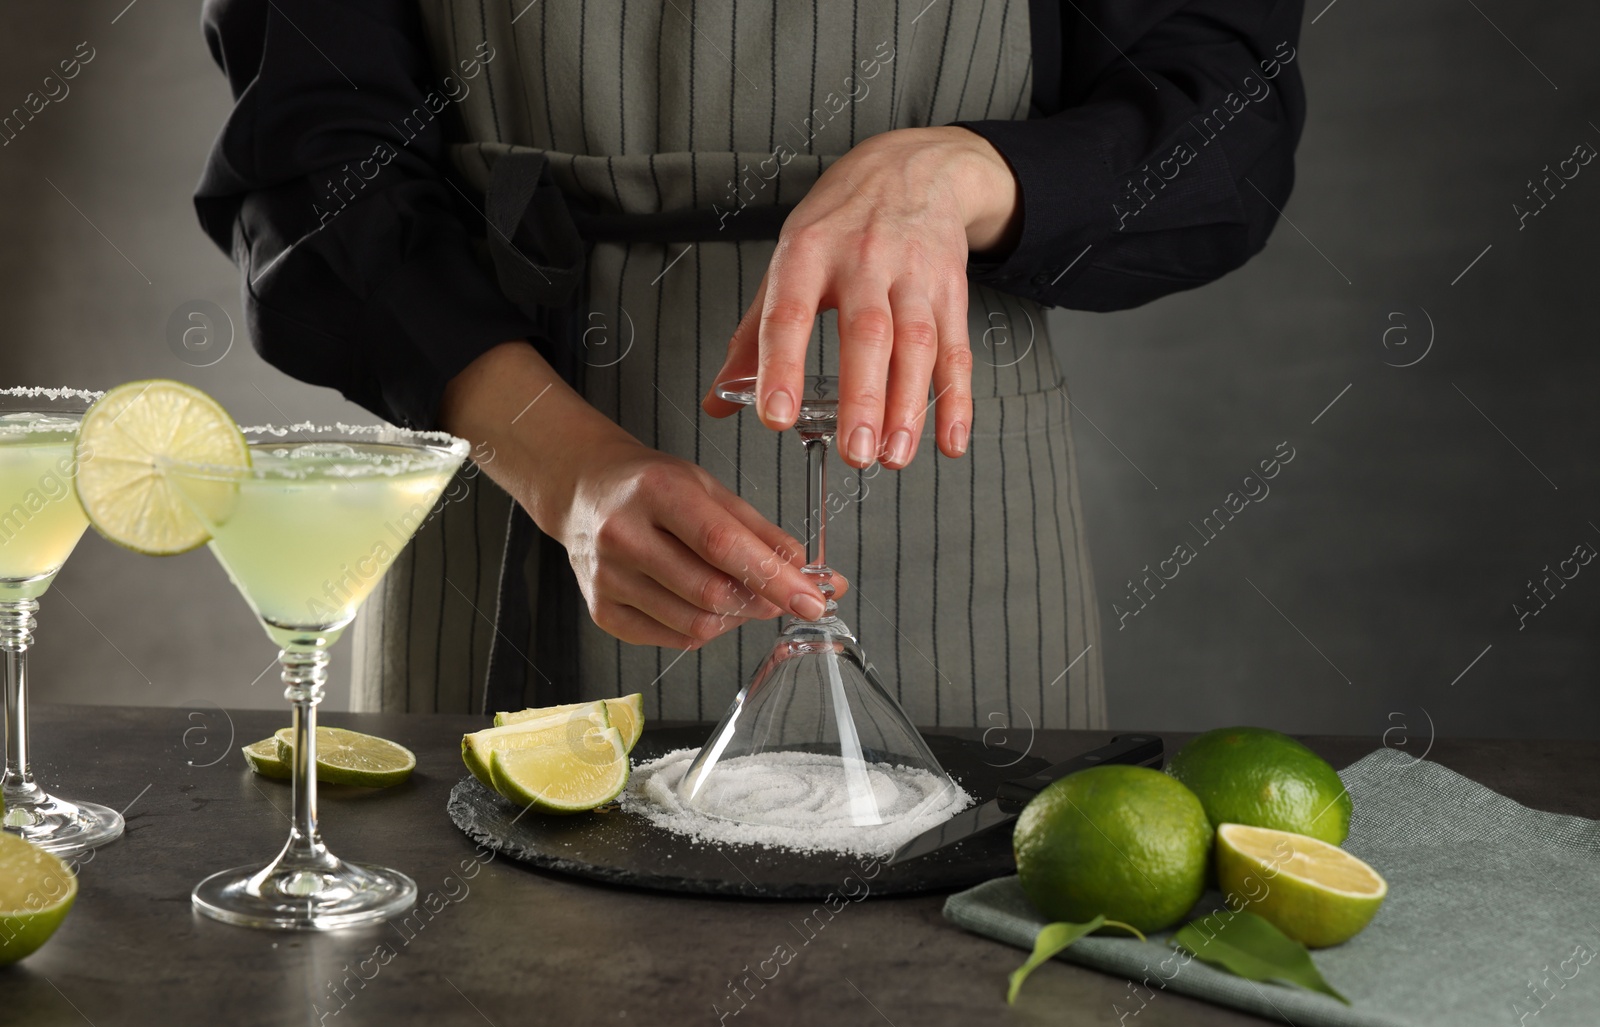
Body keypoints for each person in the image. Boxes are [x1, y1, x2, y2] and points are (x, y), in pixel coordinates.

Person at [195, 0, 1305, 729]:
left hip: (955, 545)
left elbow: (1228, 119)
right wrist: (565, 468)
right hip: (514, 484)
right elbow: (311, 156)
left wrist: (962, 173)